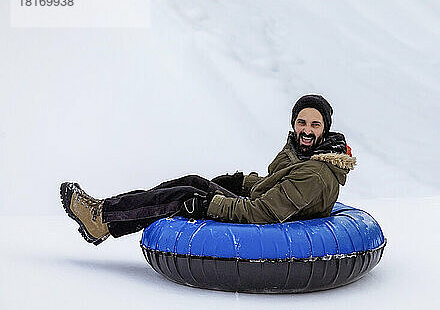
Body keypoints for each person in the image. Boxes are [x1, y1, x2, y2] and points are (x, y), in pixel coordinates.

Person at [60, 94, 356, 245]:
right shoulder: (303, 153)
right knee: (194, 181)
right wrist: (243, 181)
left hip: (268, 223)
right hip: (267, 206)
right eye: (301, 122)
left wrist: (209, 204)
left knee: (186, 195)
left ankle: (101, 220)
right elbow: (278, 186)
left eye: (314, 124)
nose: (306, 129)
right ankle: (104, 213)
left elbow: (265, 212)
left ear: (324, 129)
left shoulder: (315, 173)